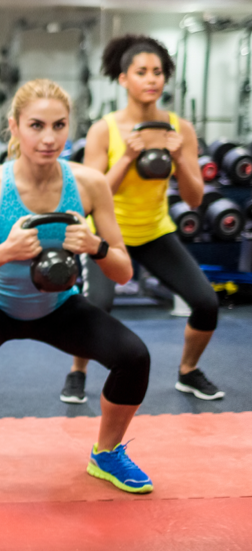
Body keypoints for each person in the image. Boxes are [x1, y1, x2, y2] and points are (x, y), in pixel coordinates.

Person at [0, 79, 153, 500]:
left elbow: (122, 272)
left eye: (59, 126)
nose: (49, 138)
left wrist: (95, 246)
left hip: (57, 304)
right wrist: (4, 252)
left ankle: (107, 451)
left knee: (134, 356)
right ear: (15, 127)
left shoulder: (89, 183)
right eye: (36, 125)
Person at [59, 34, 219, 404]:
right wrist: (127, 158)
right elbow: (86, 198)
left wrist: (179, 159)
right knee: (97, 306)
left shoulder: (180, 129)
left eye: (158, 72)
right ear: (123, 79)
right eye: (142, 72)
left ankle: (188, 371)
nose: (152, 79)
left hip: (155, 232)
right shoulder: (106, 129)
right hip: (109, 235)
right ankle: (77, 371)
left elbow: (195, 199)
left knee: (206, 302)